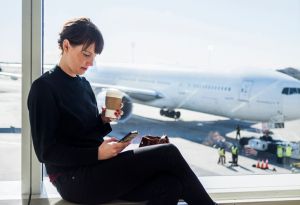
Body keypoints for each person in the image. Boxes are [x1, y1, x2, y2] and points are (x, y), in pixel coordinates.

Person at [27, 17, 217, 205]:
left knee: (171, 185)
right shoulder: (44, 88)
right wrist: (97, 154)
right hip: (72, 180)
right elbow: (46, 153)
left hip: (95, 167)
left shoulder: (83, 84)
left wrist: (103, 120)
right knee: (167, 152)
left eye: (94, 56)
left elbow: (85, 134)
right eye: (86, 54)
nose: (91, 62)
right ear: (66, 46)